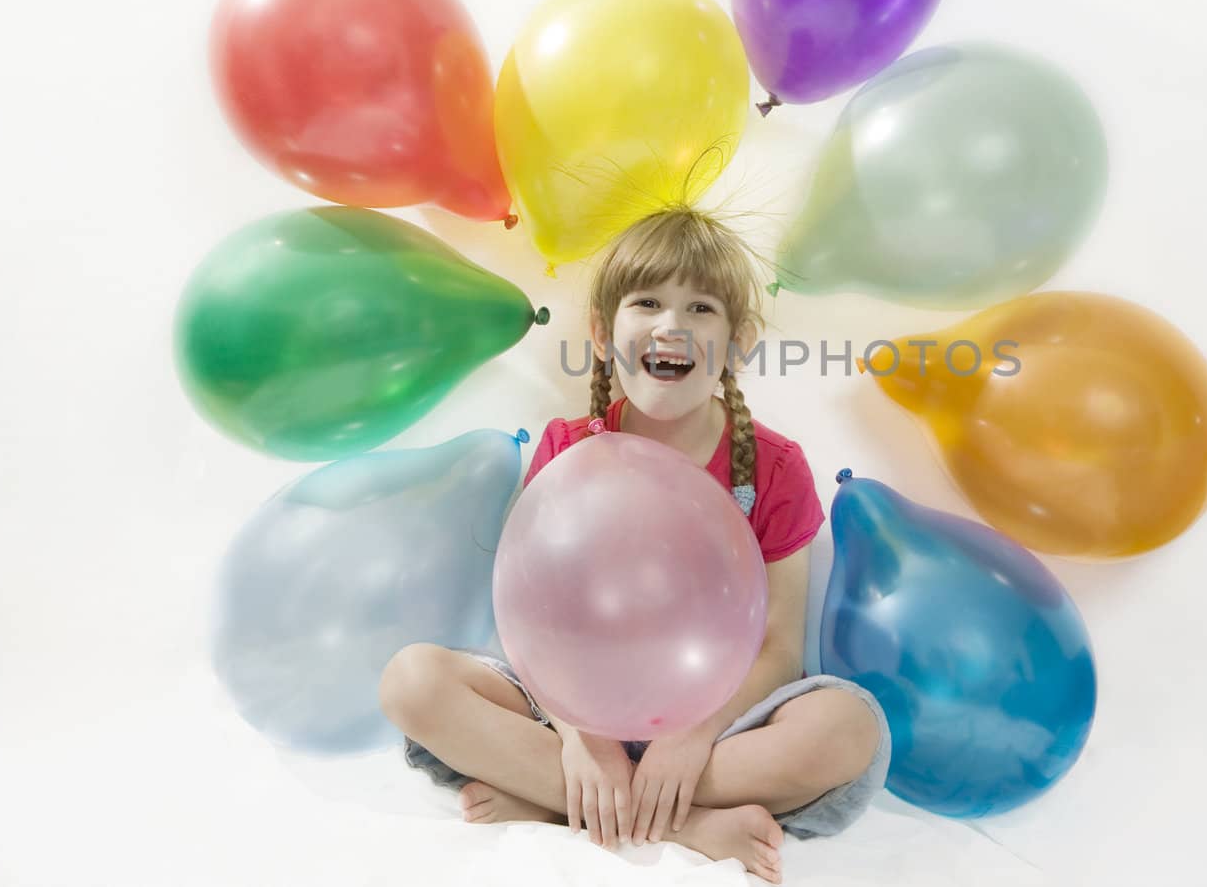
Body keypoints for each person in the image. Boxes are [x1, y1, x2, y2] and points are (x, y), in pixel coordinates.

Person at [379, 207, 891, 885]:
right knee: (411, 682)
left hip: (714, 722)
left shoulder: (771, 467)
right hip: (573, 709)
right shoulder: (570, 447)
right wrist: (580, 738)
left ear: (737, 341)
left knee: (850, 729)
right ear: (601, 331)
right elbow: (536, 625)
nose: (671, 324)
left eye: (700, 307)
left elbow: (778, 646)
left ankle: (556, 806)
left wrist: (690, 736)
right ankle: (684, 823)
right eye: (647, 301)